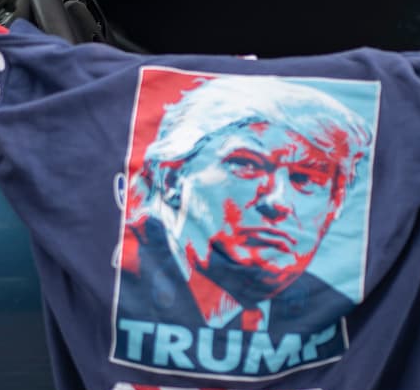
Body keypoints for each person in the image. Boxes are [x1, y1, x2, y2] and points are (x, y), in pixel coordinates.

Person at [117, 75, 373, 353]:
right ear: (170, 178)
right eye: (247, 165)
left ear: (335, 206)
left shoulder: (346, 312)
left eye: (306, 179)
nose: (277, 201)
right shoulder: (113, 280)